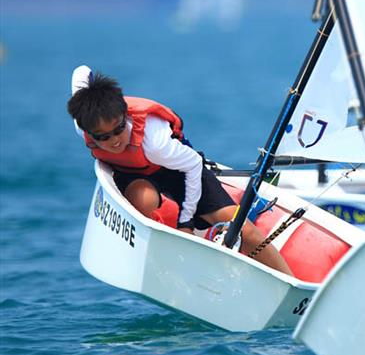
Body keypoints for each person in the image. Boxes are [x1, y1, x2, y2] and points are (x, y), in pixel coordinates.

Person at [67, 66, 293, 276]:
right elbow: (81, 72)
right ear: (88, 132)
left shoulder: (155, 142)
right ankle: (164, 254)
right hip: (134, 172)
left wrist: (185, 223)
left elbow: (193, 166)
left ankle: (289, 281)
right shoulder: (84, 123)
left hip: (181, 169)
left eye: (118, 130)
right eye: (104, 137)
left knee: (243, 229)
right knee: (143, 200)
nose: (115, 141)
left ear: (126, 116)